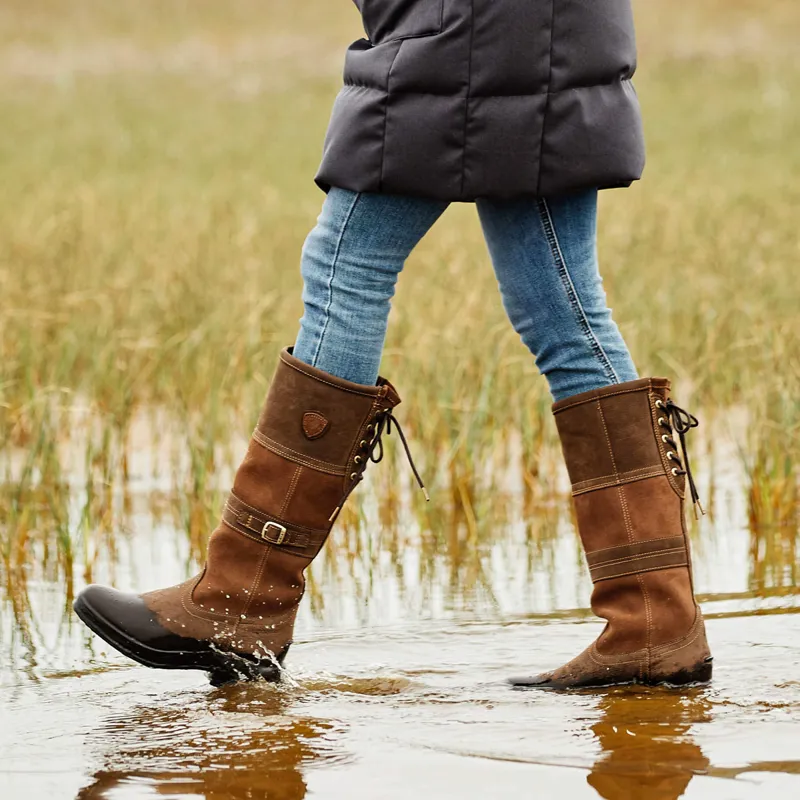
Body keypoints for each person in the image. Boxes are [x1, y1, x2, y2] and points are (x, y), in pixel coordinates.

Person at [74, 0, 712, 688]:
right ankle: (654, 622)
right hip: (520, 35)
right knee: (559, 302)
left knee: (347, 266)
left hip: (475, 33)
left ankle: (242, 597)